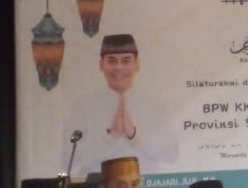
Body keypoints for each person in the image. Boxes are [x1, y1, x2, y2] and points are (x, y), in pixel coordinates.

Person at [64, 34, 175, 177]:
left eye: (126, 61)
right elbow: (67, 159)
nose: (118, 67)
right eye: (112, 61)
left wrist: (135, 136)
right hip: (98, 187)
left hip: (144, 187)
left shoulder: (154, 104)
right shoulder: (84, 106)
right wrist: (109, 138)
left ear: (137, 64)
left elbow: (171, 154)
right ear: (101, 65)